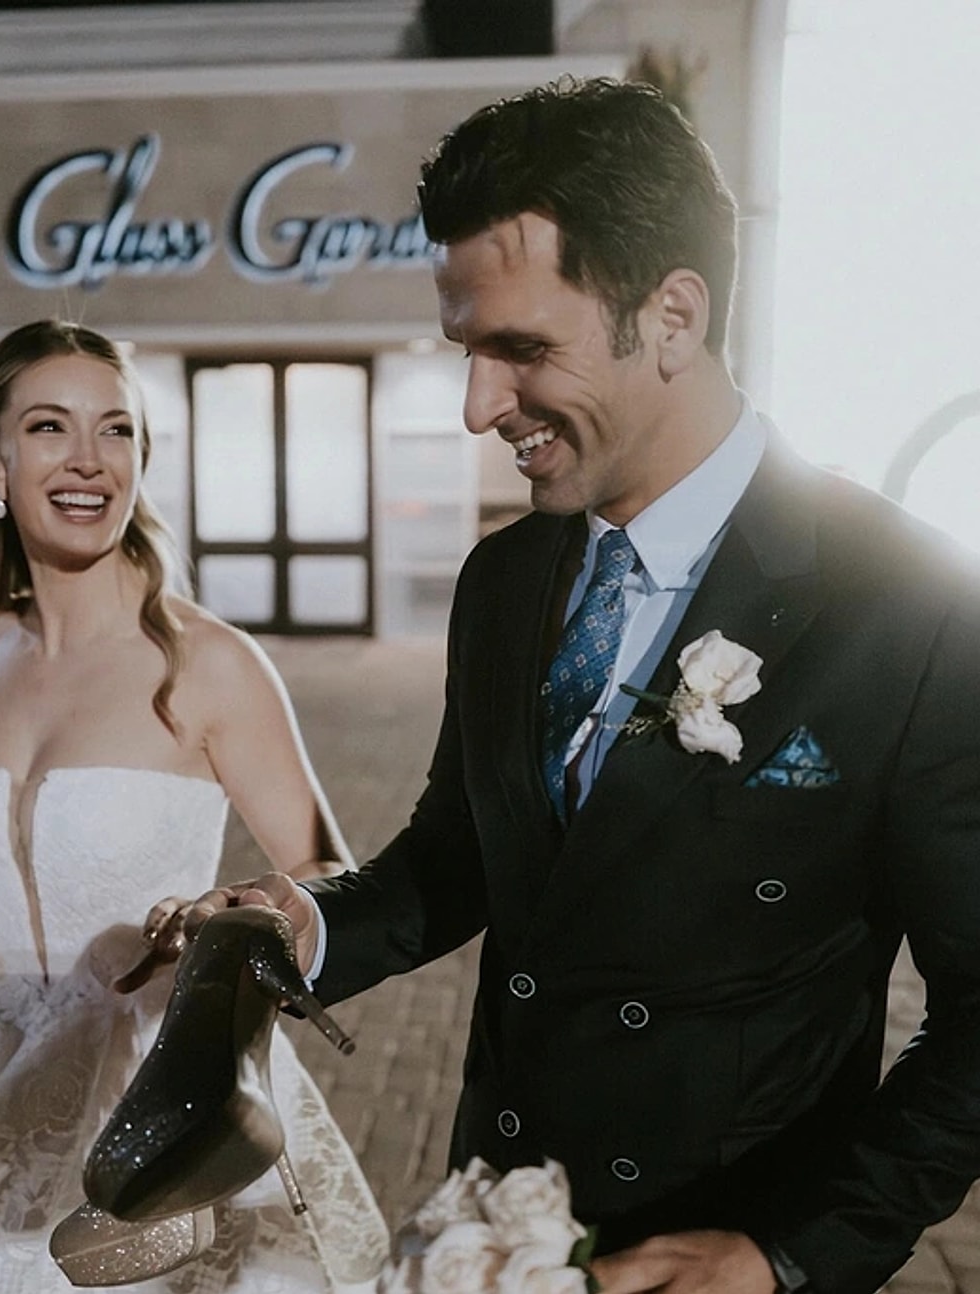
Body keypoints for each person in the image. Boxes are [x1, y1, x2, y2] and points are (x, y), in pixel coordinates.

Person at [183, 76, 980, 1294]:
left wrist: (787, 1253)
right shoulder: (504, 579)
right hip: (493, 1228)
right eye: (467, 351)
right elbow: (462, 849)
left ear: (673, 316)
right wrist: (315, 921)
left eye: (521, 349)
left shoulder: (907, 604)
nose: (478, 407)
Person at [0, 319, 389, 1294]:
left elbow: (332, 875)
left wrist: (236, 917)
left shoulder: (209, 664)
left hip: (146, 1109)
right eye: (50, 427)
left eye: (117, 429)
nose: (88, 459)